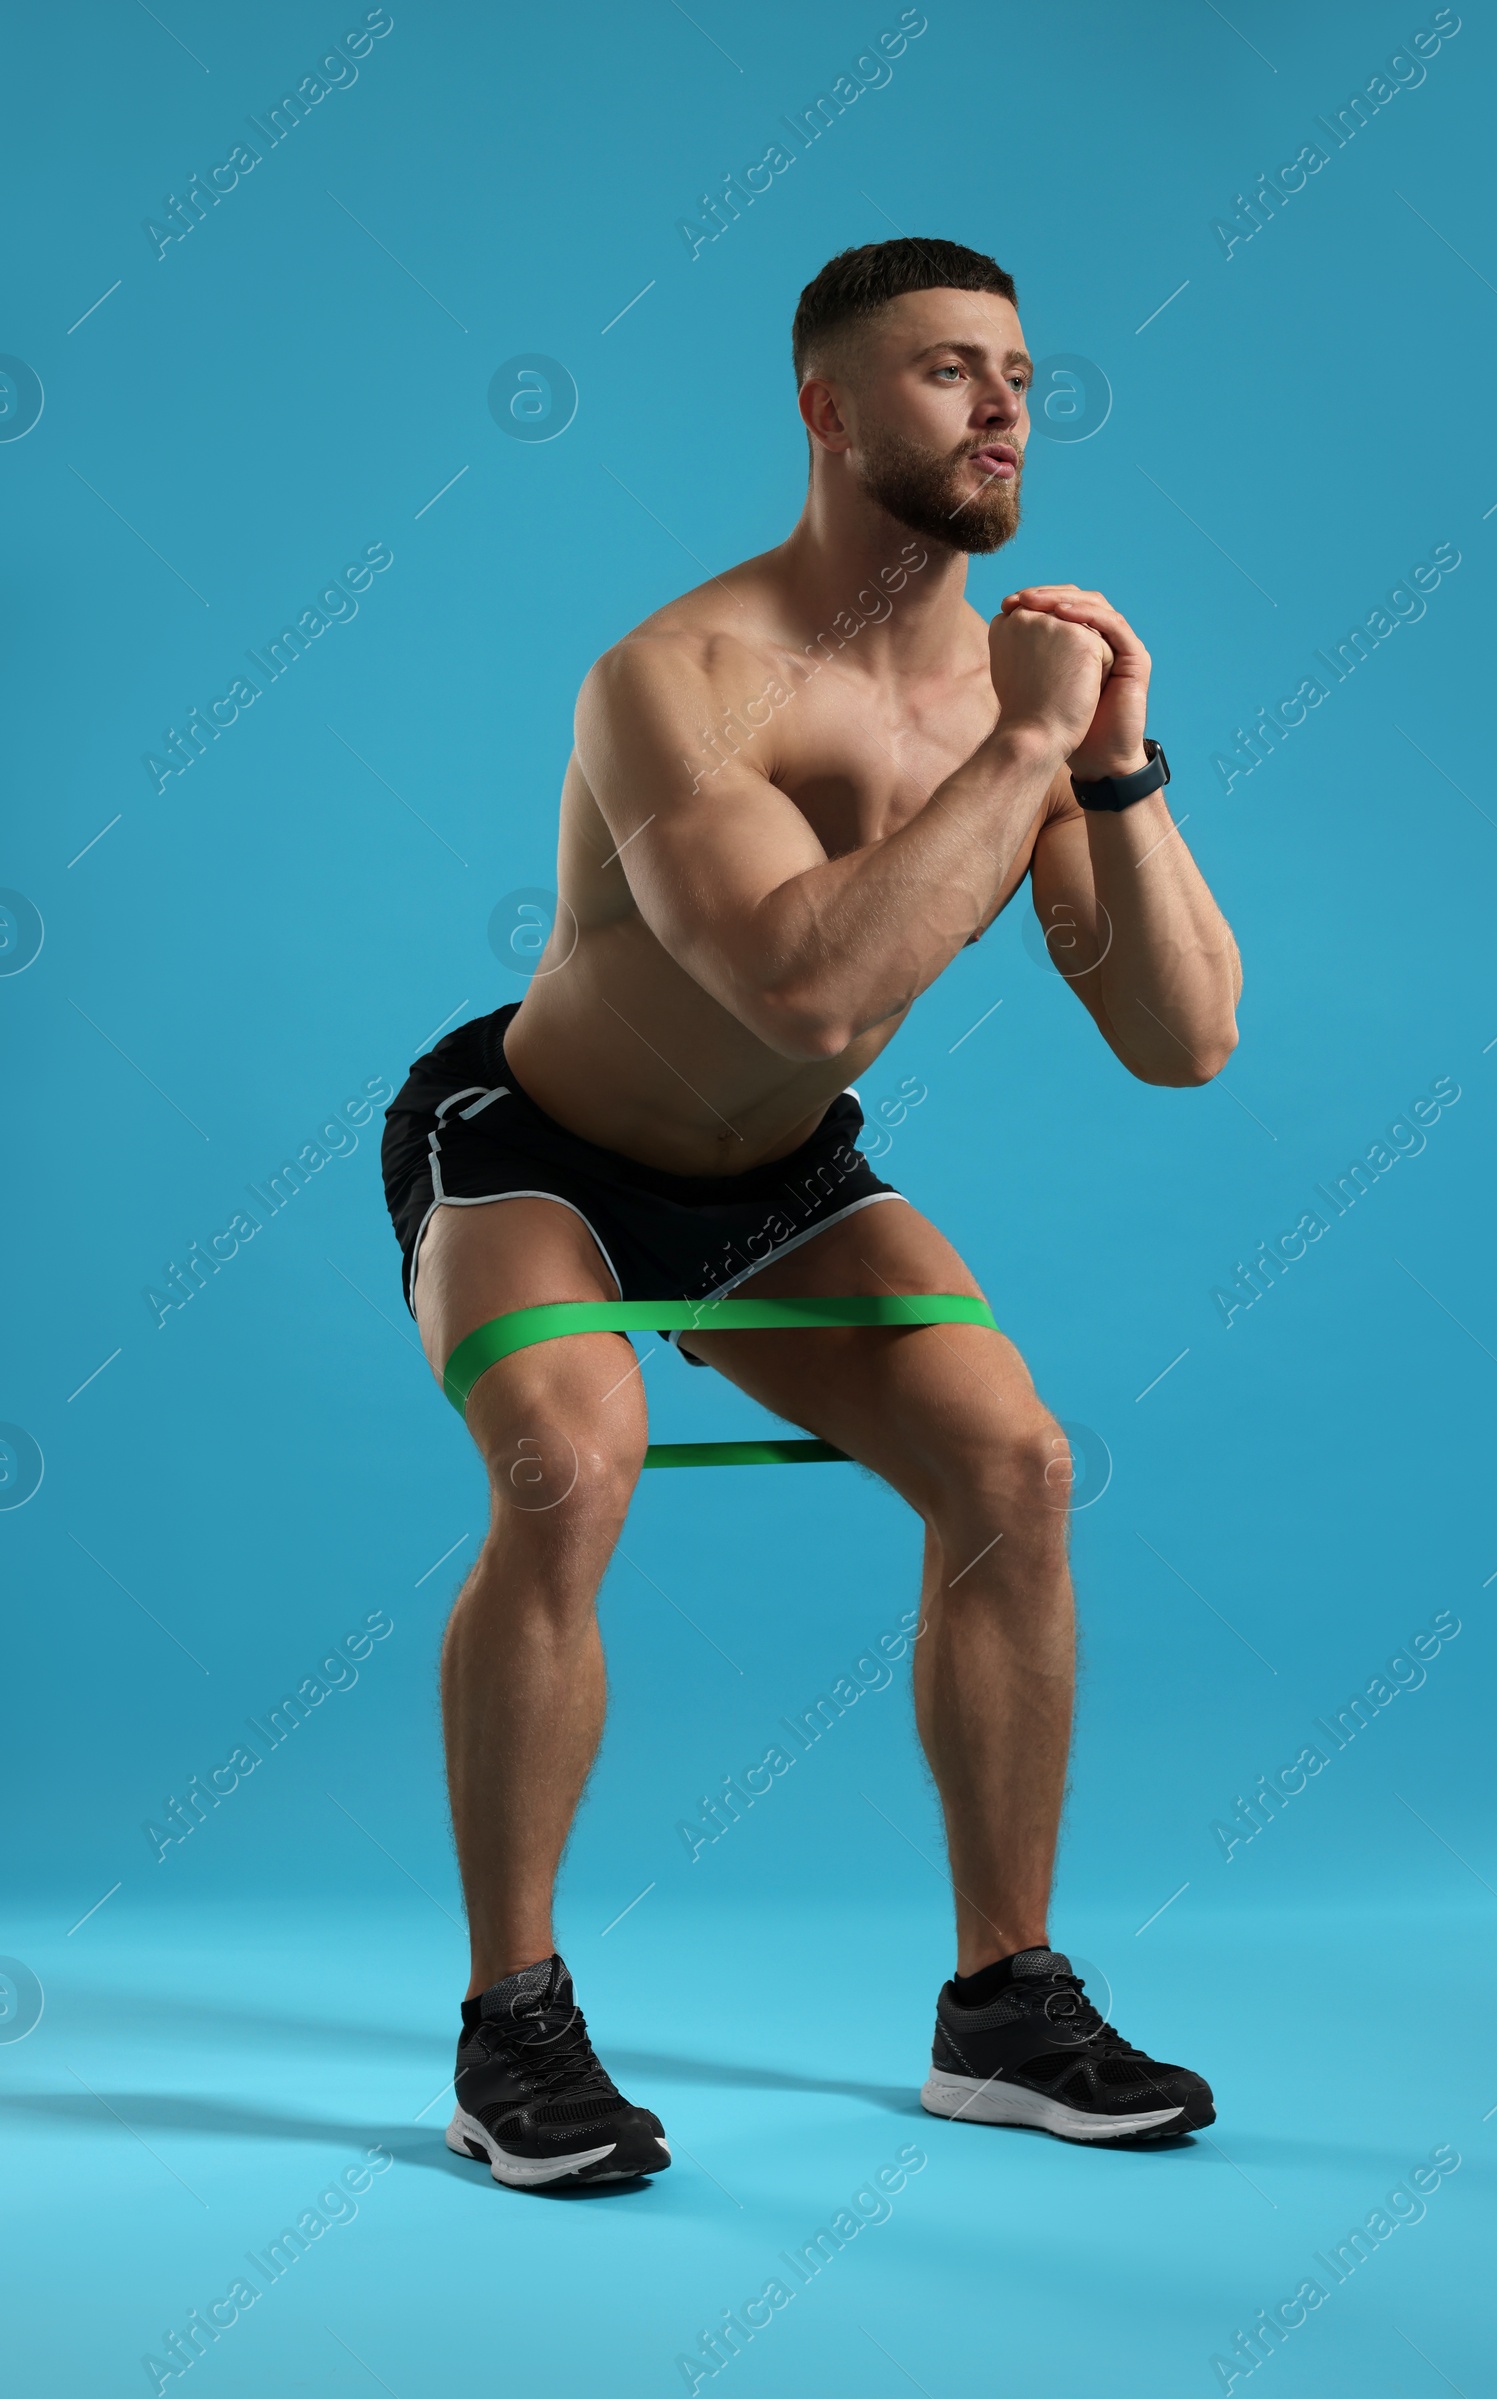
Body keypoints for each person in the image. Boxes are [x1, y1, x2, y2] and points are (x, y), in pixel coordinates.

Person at [381, 238, 1241, 2189]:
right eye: (947, 370)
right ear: (827, 410)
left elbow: (1182, 1040)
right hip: (539, 1153)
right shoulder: (677, 677)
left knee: (1012, 1467)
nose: (1005, 404)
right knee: (566, 1475)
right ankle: (507, 2025)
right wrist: (1025, 749)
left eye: (1019, 369)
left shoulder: (1017, 699)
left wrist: (1107, 764)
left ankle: (1000, 2005)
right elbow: (800, 992)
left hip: (775, 1186)